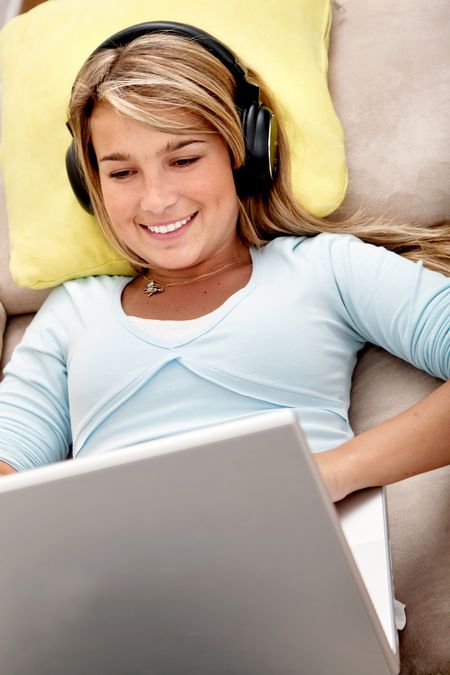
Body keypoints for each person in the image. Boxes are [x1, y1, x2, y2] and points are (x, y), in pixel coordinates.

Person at [0, 24, 448, 503]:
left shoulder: (326, 269)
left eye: (184, 159)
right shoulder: (74, 311)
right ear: (92, 187)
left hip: (287, 558)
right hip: (114, 573)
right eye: (123, 172)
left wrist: (333, 472)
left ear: (245, 154)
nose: (155, 200)